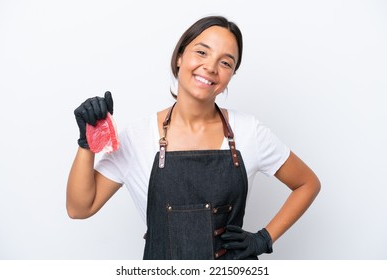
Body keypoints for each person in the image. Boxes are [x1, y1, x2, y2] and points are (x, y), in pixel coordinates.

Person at [66, 15, 321, 260]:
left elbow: (307, 183)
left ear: (231, 74)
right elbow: (80, 208)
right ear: (179, 57)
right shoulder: (138, 137)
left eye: (226, 62)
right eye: (202, 52)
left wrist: (264, 239)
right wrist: (87, 143)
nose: (210, 67)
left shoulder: (249, 132)